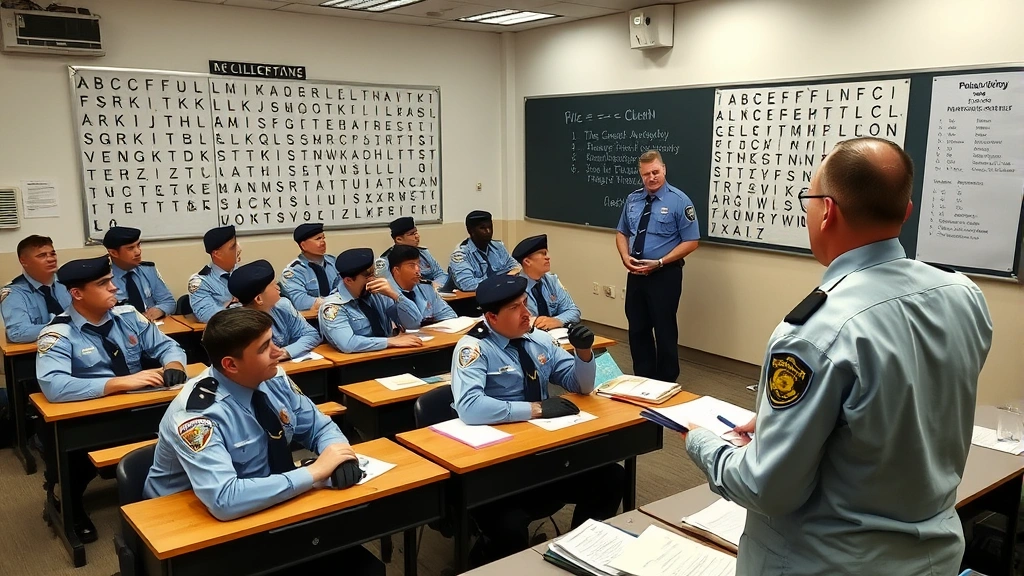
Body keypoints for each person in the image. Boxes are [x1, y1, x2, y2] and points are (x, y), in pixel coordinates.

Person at [683, 138, 993, 575]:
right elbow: (907, 408)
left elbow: (766, 488)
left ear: (826, 211)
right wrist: (792, 422)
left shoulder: (814, 333)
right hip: (933, 557)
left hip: (826, 562)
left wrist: (702, 444)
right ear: (905, 213)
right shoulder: (962, 295)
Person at [143, 308, 382, 573]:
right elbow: (224, 499)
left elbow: (319, 426)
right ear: (231, 365)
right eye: (265, 347)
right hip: (191, 529)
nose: (279, 351)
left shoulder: (272, 378)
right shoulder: (196, 415)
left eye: (273, 341)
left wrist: (338, 454)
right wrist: (315, 471)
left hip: (265, 501)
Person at [450, 275, 622, 563]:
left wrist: (583, 353)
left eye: (525, 303)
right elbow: (469, 406)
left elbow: (580, 386)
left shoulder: (539, 339)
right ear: (491, 316)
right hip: (499, 468)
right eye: (515, 308)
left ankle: (577, 554)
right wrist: (535, 409)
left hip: (543, 455)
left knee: (612, 477)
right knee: (510, 528)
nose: (526, 313)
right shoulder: (474, 349)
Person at [35, 255, 188, 543]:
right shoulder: (58, 333)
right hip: (94, 417)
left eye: (111, 280)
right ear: (77, 294)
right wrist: (118, 383)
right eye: (103, 283)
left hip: (139, 405)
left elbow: (168, 346)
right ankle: (68, 503)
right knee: (73, 456)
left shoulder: (128, 316)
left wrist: (174, 365)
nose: (114, 287)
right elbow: (54, 386)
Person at [615, 150, 700, 383]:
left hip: (665, 274)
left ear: (664, 169)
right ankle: (643, 377)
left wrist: (660, 261)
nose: (651, 177)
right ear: (640, 175)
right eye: (646, 174)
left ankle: (666, 381)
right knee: (637, 328)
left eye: (655, 172)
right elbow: (622, 232)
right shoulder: (632, 199)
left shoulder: (680, 201)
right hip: (636, 273)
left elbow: (692, 241)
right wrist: (624, 256)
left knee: (664, 329)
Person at [318, 248, 423, 353]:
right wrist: (390, 341)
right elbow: (348, 344)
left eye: (374, 273)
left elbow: (413, 323)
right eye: (368, 276)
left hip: (389, 355)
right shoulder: (332, 307)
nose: (373, 279)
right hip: (359, 363)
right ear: (349, 281)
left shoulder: (378, 294)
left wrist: (396, 295)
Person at [228, 260, 321, 360]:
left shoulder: (283, 306)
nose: (278, 287)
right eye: (273, 284)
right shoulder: (235, 325)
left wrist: (285, 352)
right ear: (259, 299)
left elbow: (312, 334)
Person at [1, 235, 71, 343]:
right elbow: (18, 333)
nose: (51, 259)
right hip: (37, 353)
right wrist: (61, 326)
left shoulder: (67, 282)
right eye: (42, 255)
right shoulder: (14, 292)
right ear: (24, 261)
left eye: (52, 254)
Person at [103, 226, 176, 320]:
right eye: (130, 248)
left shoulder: (148, 270)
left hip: (152, 328)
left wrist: (160, 310)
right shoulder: (102, 279)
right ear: (113, 253)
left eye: (138, 245)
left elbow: (168, 301)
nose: (138, 252)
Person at [512, 234, 581, 330]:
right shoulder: (514, 287)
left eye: (547, 253)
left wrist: (557, 321)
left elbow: (573, 311)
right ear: (527, 261)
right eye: (543, 254)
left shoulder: (552, 281)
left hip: (555, 335)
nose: (548, 257)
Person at [387, 244, 456, 329]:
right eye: (411, 265)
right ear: (396, 270)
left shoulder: (425, 288)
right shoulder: (387, 295)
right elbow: (412, 325)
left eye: (418, 264)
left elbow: (449, 315)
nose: (417, 270)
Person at [447, 210, 518, 292]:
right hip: (471, 300)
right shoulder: (461, 254)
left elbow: (516, 268)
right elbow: (468, 285)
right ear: (471, 231)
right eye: (482, 228)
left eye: (490, 227)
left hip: (499, 294)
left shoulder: (498, 247)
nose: (488, 231)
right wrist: (502, 279)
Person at [281, 222, 339, 312]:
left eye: (323, 238)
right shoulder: (294, 271)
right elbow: (299, 301)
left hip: (340, 315)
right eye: (318, 239)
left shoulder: (334, 262)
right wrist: (334, 301)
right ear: (303, 245)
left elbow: (346, 288)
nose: (323, 242)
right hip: (312, 321)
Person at [188, 225, 241, 323]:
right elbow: (210, 317)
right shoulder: (201, 282)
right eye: (233, 246)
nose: (239, 249)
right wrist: (234, 307)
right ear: (217, 254)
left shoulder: (243, 273)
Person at [380, 216, 449, 288]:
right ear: (399, 239)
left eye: (416, 232)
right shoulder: (387, 260)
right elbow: (389, 285)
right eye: (412, 234)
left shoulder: (424, 253)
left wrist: (435, 286)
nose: (417, 236)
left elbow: (440, 274)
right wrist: (427, 286)